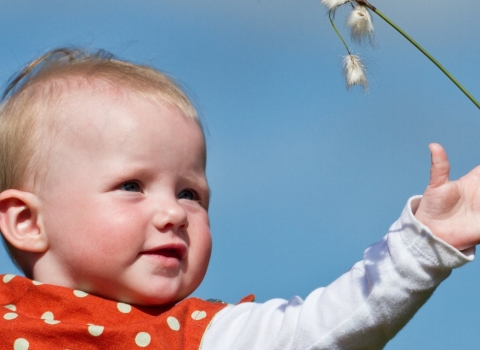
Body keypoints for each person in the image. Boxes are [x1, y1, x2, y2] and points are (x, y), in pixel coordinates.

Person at [0, 48, 477, 350]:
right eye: (132, 186)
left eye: (191, 194)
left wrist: (423, 246)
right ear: (26, 221)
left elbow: (320, 329)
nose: (173, 213)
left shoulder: (198, 335)